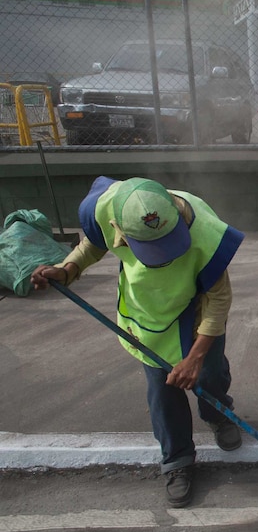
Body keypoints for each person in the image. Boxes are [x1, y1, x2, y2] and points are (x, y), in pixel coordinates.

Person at [30, 176, 245, 508]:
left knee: (210, 374)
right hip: (149, 318)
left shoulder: (205, 231)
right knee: (163, 391)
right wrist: (66, 269)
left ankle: (218, 415)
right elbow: (94, 244)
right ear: (120, 229)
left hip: (197, 309)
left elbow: (219, 300)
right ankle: (177, 462)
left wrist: (196, 356)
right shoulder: (102, 210)